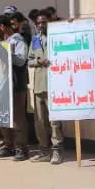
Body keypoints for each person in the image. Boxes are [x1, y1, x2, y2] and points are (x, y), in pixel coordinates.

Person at [28, 11, 63, 164]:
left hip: (54, 83)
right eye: (39, 23)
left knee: (54, 120)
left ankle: (57, 150)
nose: (41, 25)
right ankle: (43, 149)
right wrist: (38, 61)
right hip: (38, 85)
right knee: (40, 120)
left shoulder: (56, 38)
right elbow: (29, 60)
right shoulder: (35, 39)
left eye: (44, 22)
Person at [0, 13, 30, 160]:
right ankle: (8, 145)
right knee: (4, 117)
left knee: (17, 118)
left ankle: (21, 148)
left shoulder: (18, 40)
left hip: (16, 85)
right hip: (2, 85)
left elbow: (21, 61)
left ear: (3, 27)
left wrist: (7, 52)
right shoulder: (4, 41)